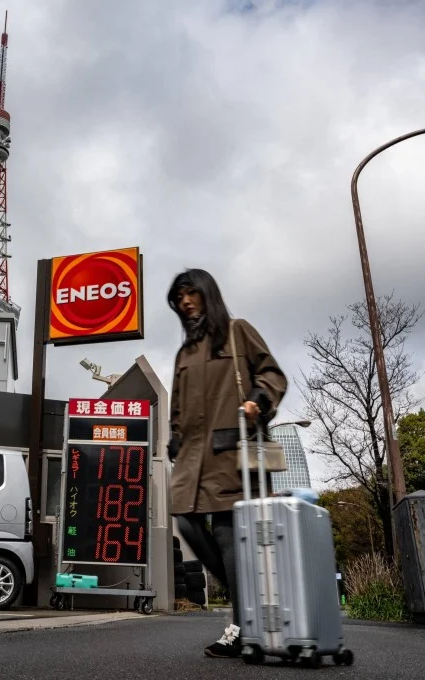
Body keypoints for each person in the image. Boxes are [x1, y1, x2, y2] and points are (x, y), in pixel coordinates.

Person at [166, 268, 288, 658]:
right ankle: (248, 600)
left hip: (230, 449)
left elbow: (272, 374)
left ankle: (243, 624)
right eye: (179, 297)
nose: (185, 302)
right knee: (184, 518)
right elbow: (177, 404)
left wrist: (259, 399)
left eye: (191, 293)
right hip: (191, 456)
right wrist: (174, 436)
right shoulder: (184, 353)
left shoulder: (237, 332)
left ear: (208, 294)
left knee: (224, 530)